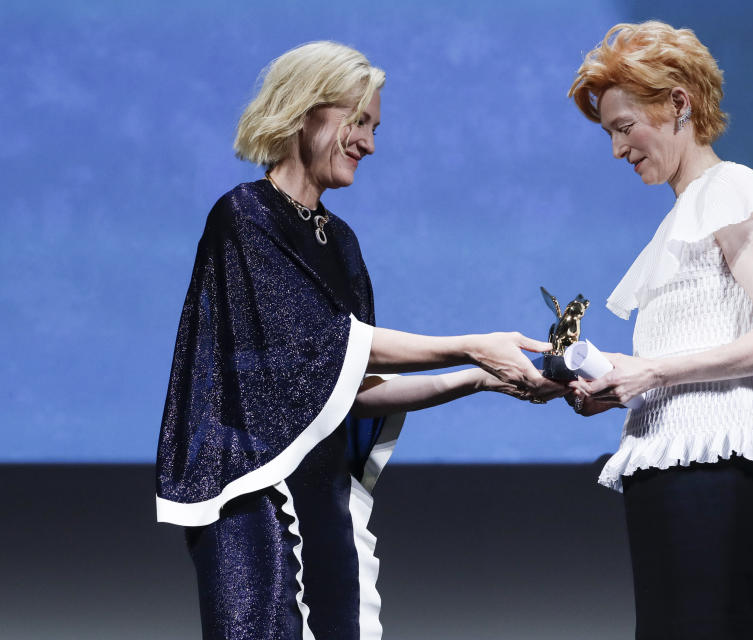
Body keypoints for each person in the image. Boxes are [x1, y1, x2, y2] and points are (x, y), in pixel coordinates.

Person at [155, 41, 563, 640]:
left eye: (373, 126)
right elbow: (333, 345)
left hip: (322, 495)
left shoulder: (340, 242)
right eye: (359, 121)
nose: (369, 144)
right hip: (253, 496)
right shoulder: (245, 217)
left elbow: (348, 384)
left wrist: (483, 378)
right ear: (304, 110)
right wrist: (473, 345)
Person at [566, 21, 753, 639]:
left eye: (625, 128)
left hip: (713, 478)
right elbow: (693, 356)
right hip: (671, 474)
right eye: (610, 134)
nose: (619, 149)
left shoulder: (734, 189)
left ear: (679, 103)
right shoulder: (686, 214)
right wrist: (616, 380)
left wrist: (650, 371)